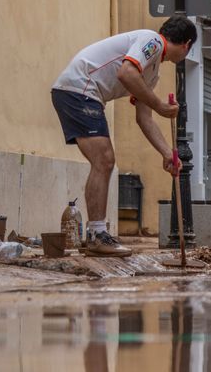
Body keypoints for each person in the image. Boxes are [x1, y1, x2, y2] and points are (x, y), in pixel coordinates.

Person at [52, 15, 197, 256]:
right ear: (187, 44)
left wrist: (166, 154)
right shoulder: (152, 41)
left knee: (104, 161)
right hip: (79, 89)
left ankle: (97, 234)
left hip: (82, 94)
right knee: (105, 160)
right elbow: (126, 73)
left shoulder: (152, 72)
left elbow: (144, 118)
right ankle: (97, 235)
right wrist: (161, 105)